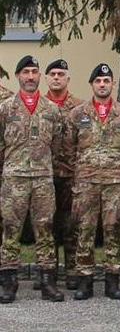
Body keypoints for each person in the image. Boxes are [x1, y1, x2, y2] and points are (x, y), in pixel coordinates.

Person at [63, 63, 120, 301]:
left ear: (112, 84)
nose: (102, 85)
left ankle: (112, 280)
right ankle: (84, 281)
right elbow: (67, 148)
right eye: (98, 81)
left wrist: (118, 168)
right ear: (92, 85)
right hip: (86, 182)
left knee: (112, 229)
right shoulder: (77, 114)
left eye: (106, 81)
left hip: (115, 183)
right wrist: (82, 169)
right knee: (84, 230)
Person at [0, 56, 66, 304]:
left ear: (40, 76)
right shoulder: (5, 108)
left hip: (42, 179)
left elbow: (58, 144)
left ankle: (48, 282)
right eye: (26, 72)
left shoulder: (51, 110)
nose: (30, 76)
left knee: (46, 229)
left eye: (34, 72)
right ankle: (9, 283)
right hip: (14, 179)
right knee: (10, 230)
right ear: (18, 76)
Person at [44, 59, 83, 290]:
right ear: (46, 78)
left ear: (68, 78)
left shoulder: (79, 108)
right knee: (46, 225)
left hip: (70, 174)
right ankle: (48, 272)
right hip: (44, 175)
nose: (57, 77)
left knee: (70, 225)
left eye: (61, 74)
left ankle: (72, 272)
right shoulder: (38, 106)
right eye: (53, 74)